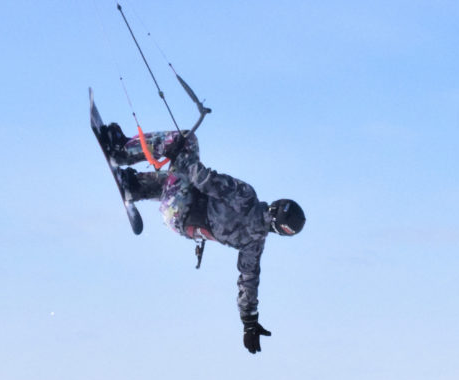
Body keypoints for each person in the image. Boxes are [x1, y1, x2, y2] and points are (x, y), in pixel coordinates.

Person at [96, 123, 305, 354]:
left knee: (187, 140)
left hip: (178, 202)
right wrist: (249, 323)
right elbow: (248, 283)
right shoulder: (254, 245)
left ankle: (121, 150)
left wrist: (180, 154)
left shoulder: (247, 197)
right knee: (183, 182)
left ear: (276, 204)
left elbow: (206, 180)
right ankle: (136, 186)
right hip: (177, 222)